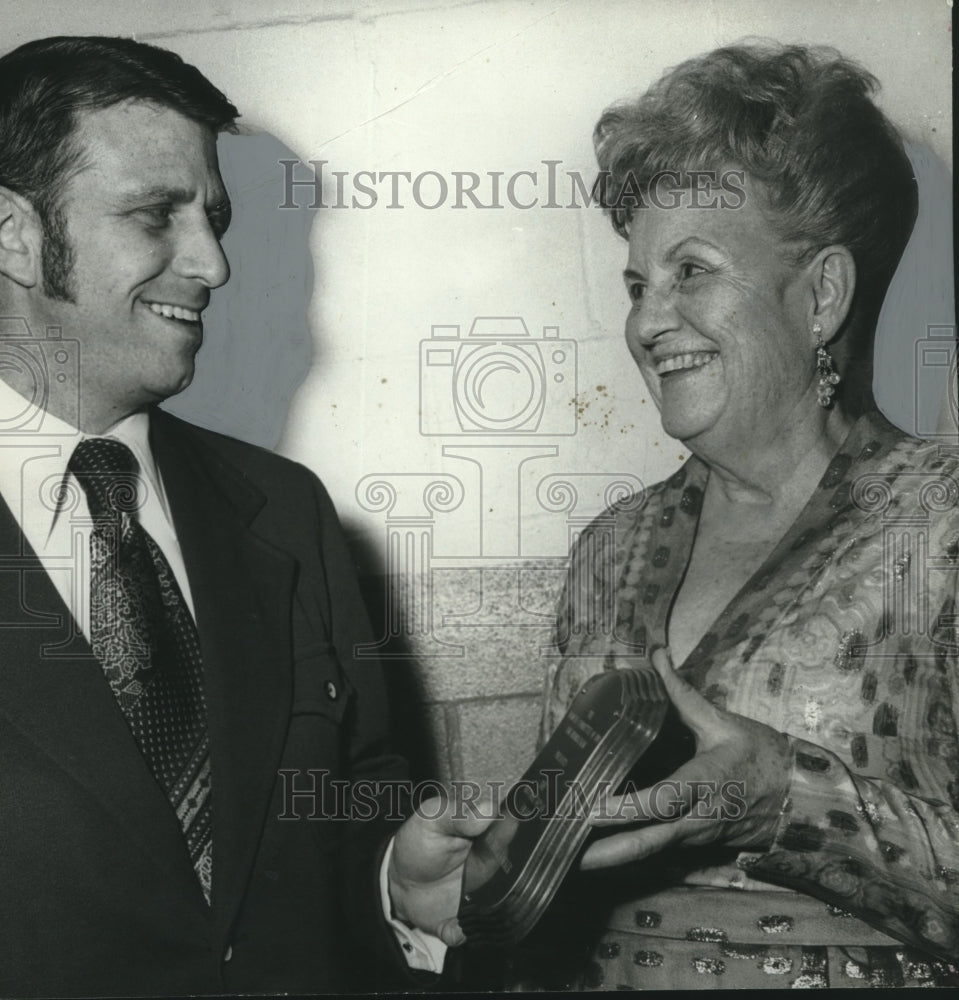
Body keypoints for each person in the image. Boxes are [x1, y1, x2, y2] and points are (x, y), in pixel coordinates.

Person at [0, 34, 480, 997]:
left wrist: (400, 882)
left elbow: (346, 808)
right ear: (12, 233)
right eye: (155, 216)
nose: (213, 264)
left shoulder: (287, 514)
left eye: (213, 218)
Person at [517, 42, 959, 989]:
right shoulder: (610, 549)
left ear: (822, 296)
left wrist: (788, 805)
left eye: (691, 271)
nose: (645, 321)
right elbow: (538, 885)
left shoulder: (942, 519)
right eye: (638, 284)